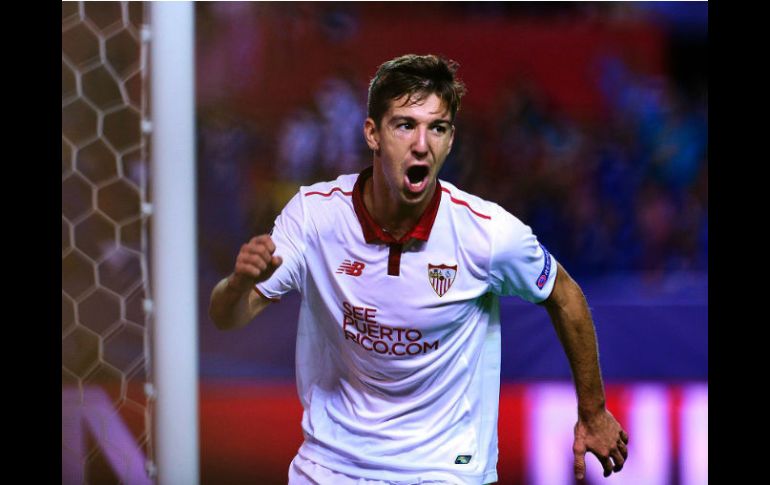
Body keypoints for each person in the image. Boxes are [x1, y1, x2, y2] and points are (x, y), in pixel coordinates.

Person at [209, 54, 628, 485]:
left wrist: (593, 412)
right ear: (372, 133)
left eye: (438, 128)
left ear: (450, 141)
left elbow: (564, 293)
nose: (422, 144)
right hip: (333, 468)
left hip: (445, 470)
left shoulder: (486, 234)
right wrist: (238, 284)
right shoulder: (315, 217)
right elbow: (229, 315)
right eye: (405, 125)